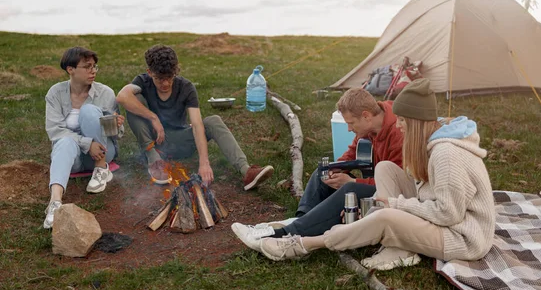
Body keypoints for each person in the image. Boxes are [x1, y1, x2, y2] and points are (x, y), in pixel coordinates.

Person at [257, 78, 495, 271]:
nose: (399, 126)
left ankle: (304, 244)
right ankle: (401, 246)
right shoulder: (434, 136)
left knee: (385, 218)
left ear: (416, 121)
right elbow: (429, 192)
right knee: (385, 169)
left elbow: (448, 214)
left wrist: (395, 205)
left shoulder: (446, 155)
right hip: (445, 217)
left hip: (462, 237)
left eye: (403, 120)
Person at [231, 87, 404, 249]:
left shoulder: (398, 133)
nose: (349, 129)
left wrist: (353, 181)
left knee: (350, 188)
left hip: (394, 195)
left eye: (351, 123)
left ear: (366, 116)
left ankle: (285, 234)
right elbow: (351, 153)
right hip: (376, 183)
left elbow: (396, 182)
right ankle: (301, 219)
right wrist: (334, 169)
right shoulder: (369, 128)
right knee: (323, 171)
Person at [116, 44, 273, 189]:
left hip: (181, 141)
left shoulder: (186, 87)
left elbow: (197, 125)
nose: (165, 83)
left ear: (176, 71)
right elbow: (122, 96)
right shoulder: (142, 81)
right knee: (134, 100)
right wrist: (153, 118)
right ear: (150, 72)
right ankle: (154, 160)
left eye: (169, 77)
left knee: (213, 120)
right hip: (156, 141)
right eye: (159, 78)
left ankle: (246, 171)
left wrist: (204, 163)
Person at [44, 47, 124, 229]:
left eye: (95, 66)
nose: (93, 71)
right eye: (87, 67)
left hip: (103, 152)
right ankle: (55, 203)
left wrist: (116, 125)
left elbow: (115, 136)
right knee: (63, 141)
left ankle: (101, 170)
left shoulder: (105, 93)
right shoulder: (55, 93)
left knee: (88, 111)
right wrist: (87, 144)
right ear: (70, 69)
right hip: (73, 157)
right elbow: (55, 131)